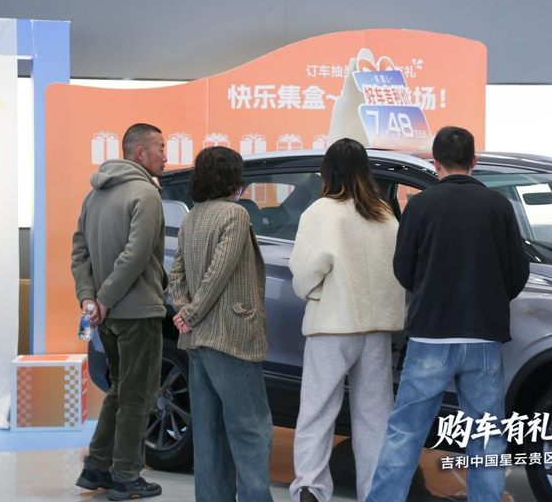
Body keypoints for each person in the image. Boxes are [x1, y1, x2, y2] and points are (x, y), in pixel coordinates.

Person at [366, 126, 530, 502]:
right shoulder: (498, 206)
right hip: (484, 336)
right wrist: (490, 300)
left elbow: (402, 268)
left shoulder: (420, 206)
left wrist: (428, 292)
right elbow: (517, 272)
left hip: (430, 335)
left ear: (435, 163)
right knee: (486, 436)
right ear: (474, 161)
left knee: (406, 432)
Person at [288, 138, 406, 502]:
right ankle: (375, 492)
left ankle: (311, 487)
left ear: (327, 171)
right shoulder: (384, 214)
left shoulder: (320, 212)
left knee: (318, 410)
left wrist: (315, 293)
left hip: (333, 324)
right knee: (375, 417)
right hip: (377, 328)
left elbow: (305, 273)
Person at [169, 146, 273, 502]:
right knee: (251, 429)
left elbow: (177, 274)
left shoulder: (192, 217)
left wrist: (184, 311)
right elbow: (219, 272)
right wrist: (191, 313)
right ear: (234, 178)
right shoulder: (235, 214)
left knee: (208, 434)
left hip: (197, 340)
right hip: (231, 337)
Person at [70, 123, 168, 501]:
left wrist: (90, 299)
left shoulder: (93, 195)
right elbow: (136, 255)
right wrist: (106, 298)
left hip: (106, 316)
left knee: (119, 391)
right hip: (137, 311)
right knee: (137, 395)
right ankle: (126, 475)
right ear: (140, 152)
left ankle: (97, 465)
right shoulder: (146, 193)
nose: (165, 155)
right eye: (161, 147)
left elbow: (79, 253)